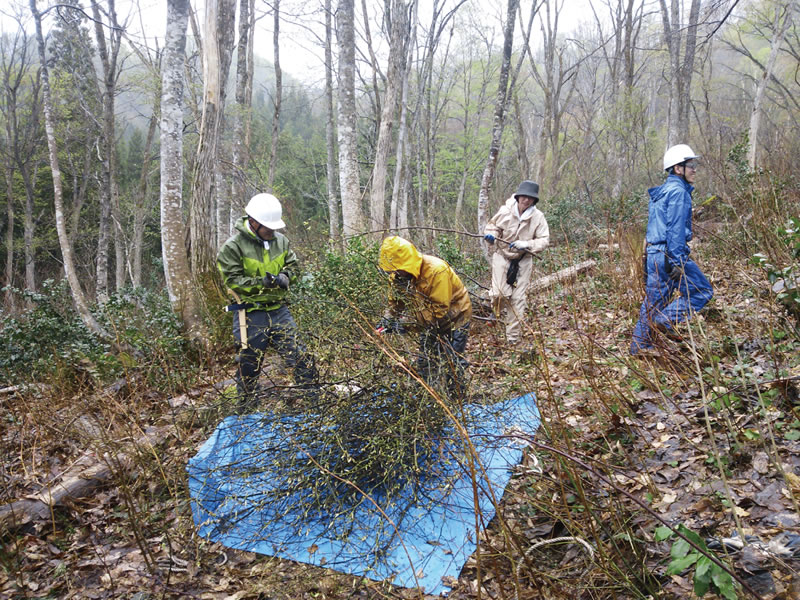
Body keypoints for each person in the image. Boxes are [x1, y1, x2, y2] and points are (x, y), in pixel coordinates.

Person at [217, 192, 317, 412]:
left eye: (274, 228)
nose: (272, 232)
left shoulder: (281, 242)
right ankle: (246, 413)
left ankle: (316, 405)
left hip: (279, 310)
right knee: (249, 364)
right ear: (253, 222)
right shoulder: (233, 247)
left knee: (299, 356)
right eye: (268, 228)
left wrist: (286, 277)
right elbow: (233, 281)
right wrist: (263, 283)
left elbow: (293, 266)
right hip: (250, 313)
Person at [630, 144, 714, 355]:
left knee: (653, 302)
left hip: (655, 253)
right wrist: (677, 262)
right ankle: (664, 321)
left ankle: (640, 346)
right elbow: (675, 229)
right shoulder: (678, 193)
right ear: (678, 169)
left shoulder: (663, 192)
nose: (695, 169)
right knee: (702, 290)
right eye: (690, 165)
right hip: (669, 253)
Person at [377, 235, 472, 397]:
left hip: (455, 317)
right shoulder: (398, 276)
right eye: (392, 271)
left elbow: (438, 311)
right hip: (427, 320)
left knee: (452, 361)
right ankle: (429, 398)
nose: (395, 273)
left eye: (397, 270)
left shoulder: (436, 270)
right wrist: (388, 318)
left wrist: (406, 327)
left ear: (407, 263)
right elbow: (396, 302)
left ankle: (458, 399)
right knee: (426, 362)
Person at [483, 180, 550, 345]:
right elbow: (492, 226)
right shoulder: (505, 210)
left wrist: (527, 244)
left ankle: (512, 338)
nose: (526, 200)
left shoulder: (538, 217)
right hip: (502, 255)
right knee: (499, 293)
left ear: (534, 200)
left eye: (530, 198)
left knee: (518, 299)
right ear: (518, 196)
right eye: (524, 196)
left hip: (523, 259)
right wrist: (490, 235)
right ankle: (495, 312)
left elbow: (544, 239)